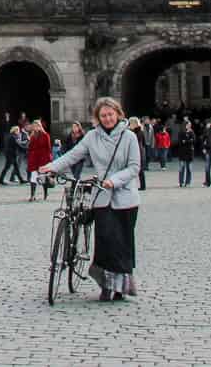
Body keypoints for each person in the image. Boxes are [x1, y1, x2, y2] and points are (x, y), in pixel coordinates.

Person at [40, 97, 141, 303]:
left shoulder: (129, 137)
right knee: (104, 242)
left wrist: (114, 180)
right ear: (97, 118)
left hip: (126, 197)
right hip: (102, 197)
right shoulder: (92, 137)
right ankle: (106, 285)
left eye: (110, 114)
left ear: (118, 114)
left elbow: (134, 167)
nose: (107, 118)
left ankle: (121, 287)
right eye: (103, 115)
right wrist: (53, 166)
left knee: (122, 243)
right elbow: (73, 155)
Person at [26, 120, 52, 200]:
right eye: (34, 126)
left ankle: (45, 193)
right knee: (33, 177)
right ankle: (32, 195)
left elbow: (48, 148)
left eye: (37, 126)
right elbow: (29, 148)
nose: (35, 128)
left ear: (40, 126)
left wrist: (48, 161)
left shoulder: (45, 135)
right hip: (34, 159)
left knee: (43, 177)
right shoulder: (32, 136)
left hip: (43, 159)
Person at [0, 119, 25, 186]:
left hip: (11, 154)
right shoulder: (13, 137)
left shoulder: (11, 136)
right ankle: (1, 180)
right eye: (18, 130)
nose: (19, 132)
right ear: (15, 131)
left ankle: (21, 179)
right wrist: (26, 149)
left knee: (16, 167)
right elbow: (18, 145)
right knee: (7, 167)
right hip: (11, 155)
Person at [173, 119, 195, 188]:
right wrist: (188, 140)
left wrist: (186, 141)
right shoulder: (181, 132)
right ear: (185, 125)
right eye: (188, 125)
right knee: (181, 168)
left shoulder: (192, 132)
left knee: (189, 168)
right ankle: (181, 182)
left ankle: (188, 182)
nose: (189, 126)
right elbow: (180, 142)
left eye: (190, 125)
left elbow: (194, 140)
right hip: (182, 152)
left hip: (190, 152)